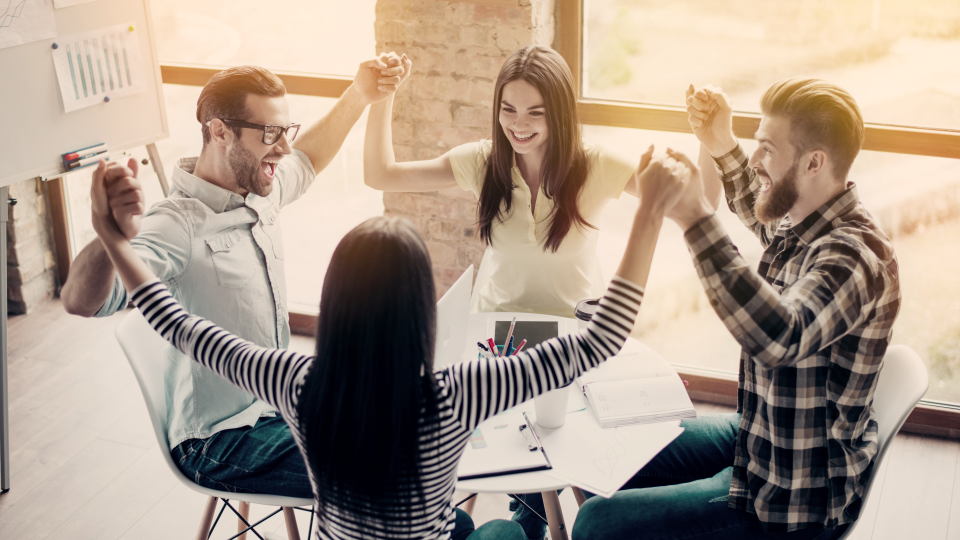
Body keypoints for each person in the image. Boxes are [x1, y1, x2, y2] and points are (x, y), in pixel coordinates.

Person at [88, 135, 697, 537]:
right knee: (507, 531)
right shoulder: (457, 394)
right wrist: (647, 215)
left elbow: (173, 320)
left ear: (335, 303)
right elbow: (602, 339)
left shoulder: (294, 380)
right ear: (418, 313)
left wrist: (113, 235)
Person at [571, 78, 901, 540]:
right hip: (762, 435)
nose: (756, 159)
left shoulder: (854, 257)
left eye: (766, 148)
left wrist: (694, 216)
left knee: (596, 524)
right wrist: (721, 142)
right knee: (603, 449)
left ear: (813, 162)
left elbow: (781, 337)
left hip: (792, 495)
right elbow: (760, 208)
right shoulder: (809, 217)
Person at [60, 60, 406, 498]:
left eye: (285, 131)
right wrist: (108, 235)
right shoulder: (175, 225)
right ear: (220, 131)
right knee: (384, 479)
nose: (282, 148)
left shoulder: (261, 189)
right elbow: (82, 301)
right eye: (268, 134)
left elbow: (309, 158)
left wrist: (359, 92)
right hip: (220, 439)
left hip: (277, 405)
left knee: (396, 424)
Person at [364, 45, 721, 318]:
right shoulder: (481, 162)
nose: (519, 126)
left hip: (573, 334)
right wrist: (382, 97)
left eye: (536, 113)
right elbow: (381, 175)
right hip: (496, 332)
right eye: (509, 110)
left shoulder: (596, 164)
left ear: (560, 115)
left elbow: (700, 202)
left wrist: (708, 140)